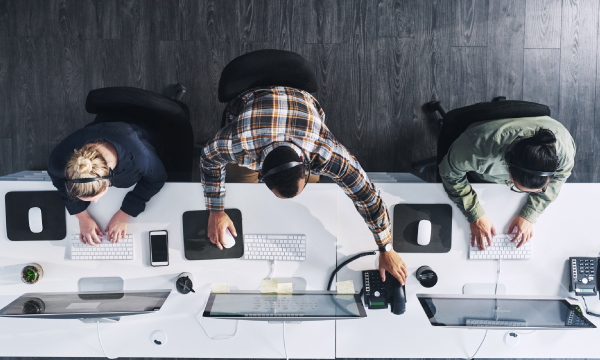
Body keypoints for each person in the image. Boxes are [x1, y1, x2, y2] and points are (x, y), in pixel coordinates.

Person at [201, 86, 407, 285]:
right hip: (251, 101)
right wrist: (216, 211)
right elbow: (208, 158)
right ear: (260, 173)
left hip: (302, 114)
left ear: (307, 167)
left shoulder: (324, 150)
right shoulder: (239, 143)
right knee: (240, 190)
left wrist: (386, 248)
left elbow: (367, 196)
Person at [48, 86, 191, 246]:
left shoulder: (139, 157)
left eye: (96, 197)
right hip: (108, 121)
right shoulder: (59, 159)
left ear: (109, 178)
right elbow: (58, 179)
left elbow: (157, 178)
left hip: (148, 126)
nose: (95, 203)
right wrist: (82, 216)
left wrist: (125, 212)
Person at [438, 116, 576, 251]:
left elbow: (560, 177)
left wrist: (530, 213)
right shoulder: (475, 150)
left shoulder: (564, 150)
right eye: (517, 187)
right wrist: (475, 215)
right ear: (508, 170)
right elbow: (450, 175)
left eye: (540, 189)